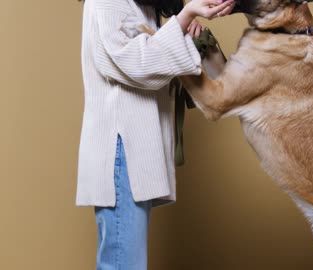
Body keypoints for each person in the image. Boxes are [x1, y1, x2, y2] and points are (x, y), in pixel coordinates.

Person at [75, 0, 235, 269]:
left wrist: (185, 29)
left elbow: (166, 63)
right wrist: (184, 18)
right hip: (122, 151)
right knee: (123, 263)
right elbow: (132, 63)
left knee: (125, 261)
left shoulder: (143, 5)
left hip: (131, 152)